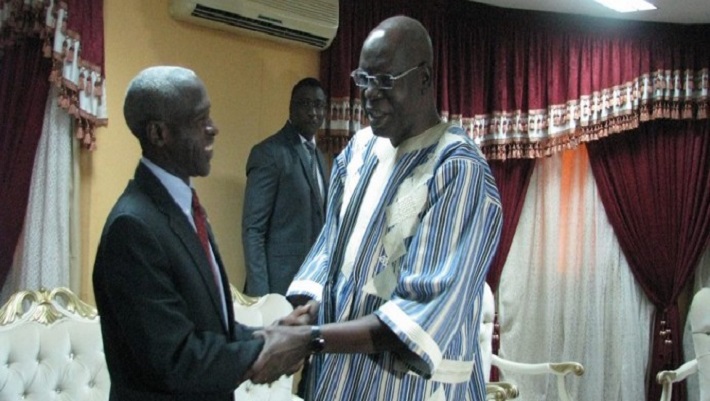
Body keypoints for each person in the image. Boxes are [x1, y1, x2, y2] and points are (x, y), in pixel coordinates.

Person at [281, 15, 504, 401]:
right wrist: (307, 314)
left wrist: (310, 340)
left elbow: (417, 319)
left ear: (424, 78)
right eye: (364, 79)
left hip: (414, 389)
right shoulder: (358, 152)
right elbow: (331, 258)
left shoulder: (457, 170)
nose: (370, 94)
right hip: (340, 380)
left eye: (385, 80)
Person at [92, 66, 311, 400]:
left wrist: (270, 334)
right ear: (159, 133)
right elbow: (176, 359)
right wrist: (268, 350)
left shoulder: (180, 208)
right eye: (200, 120)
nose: (213, 128)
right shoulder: (133, 227)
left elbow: (209, 330)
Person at [242, 78, 328, 296]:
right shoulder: (269, 152)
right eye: (305, 104)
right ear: (291, 107)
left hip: (310, 287)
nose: (313, 112)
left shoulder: (320, 157)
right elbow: (253, 230)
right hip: (276, 288)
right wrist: (262, 297)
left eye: (318, 105)